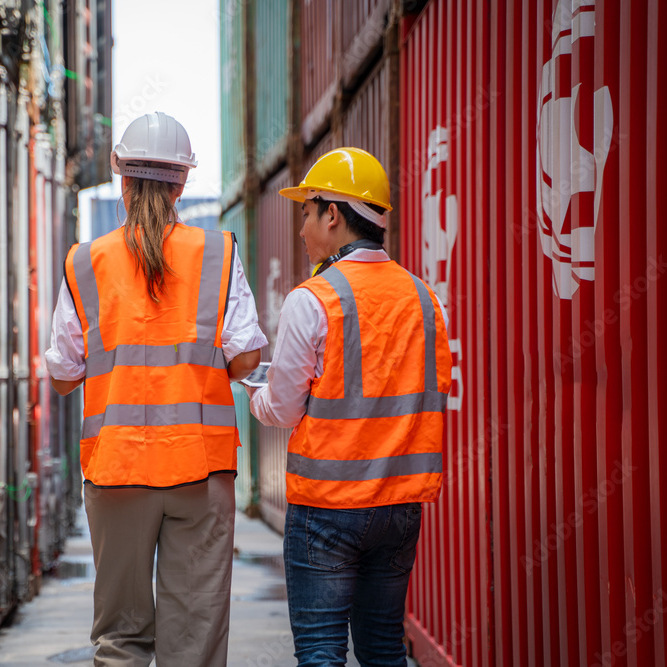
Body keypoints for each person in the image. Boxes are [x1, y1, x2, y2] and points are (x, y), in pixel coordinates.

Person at [45, 111, 268, 667]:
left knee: (120, 640)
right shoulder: (216, 255)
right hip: (200, 470)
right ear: (183, 182)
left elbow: (64, 373)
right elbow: (246, 358)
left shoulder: (86, 262)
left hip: (116, 473)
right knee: (192, 643)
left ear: (121, 176)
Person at [246, 147, 452, 666]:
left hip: (327, 510)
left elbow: (287, 408)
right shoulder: (425, 299)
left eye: (306, 214)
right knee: (384, 648)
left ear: (332, 214)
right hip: (399, 509)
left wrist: (257, 396)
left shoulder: (313, 299)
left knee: (321, 653)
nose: (301, 231)